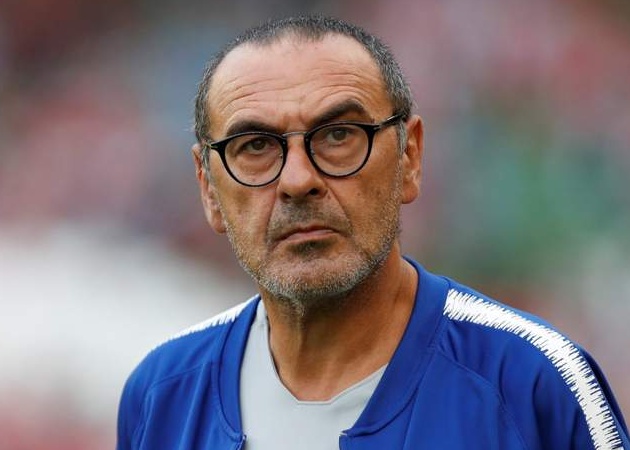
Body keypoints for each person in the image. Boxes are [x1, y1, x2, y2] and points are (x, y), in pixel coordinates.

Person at [116, 15, 629, 450]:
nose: (297, 180)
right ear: (208, 187)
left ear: (410, 157)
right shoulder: (161, 396)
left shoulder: (532, 385)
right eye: (255, 146)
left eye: (339, 135)